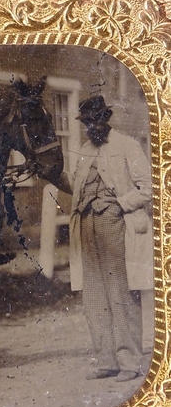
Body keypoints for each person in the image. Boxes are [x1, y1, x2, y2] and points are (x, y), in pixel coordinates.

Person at [53, 95, 153, 382]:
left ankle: (130, 363)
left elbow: (148, 188)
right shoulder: (84, 150)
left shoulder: (127, 146)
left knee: (121, 293)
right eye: (86, 123)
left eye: (95, 121)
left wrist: (120, 205)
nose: (91, 127)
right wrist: (53, 176)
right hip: (86, 223)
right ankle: (107, 360)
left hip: (116, 224)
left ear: (105, 120)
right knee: (94, 295)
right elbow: (75, 185)